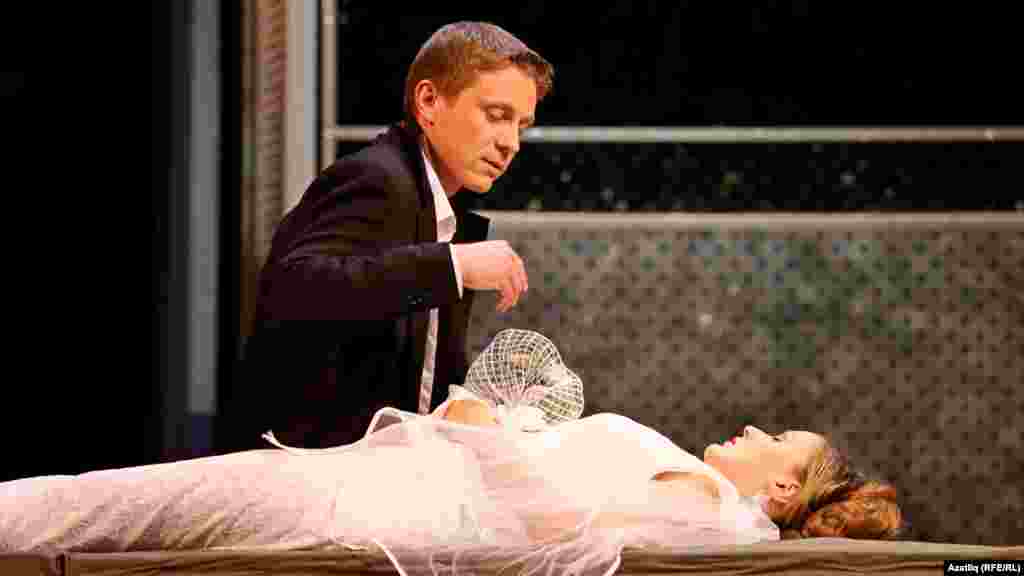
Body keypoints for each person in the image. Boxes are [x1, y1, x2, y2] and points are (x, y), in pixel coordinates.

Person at [0, 393, 902, 576]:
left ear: (782, 491)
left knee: (110, 506)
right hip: (386, 487)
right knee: (110, 506)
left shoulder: (707, 508)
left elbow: (563, 528)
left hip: (377, 506)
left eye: (776, 442)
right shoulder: (703, 494)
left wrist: (484, 432)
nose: (754, 431)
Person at [218, 21, 555, 452]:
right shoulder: (377, 176)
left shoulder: (440, 208)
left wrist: (476, 405)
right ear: (428, 102)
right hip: (307, 464)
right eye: (496, 115)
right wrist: (455, 265)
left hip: (388, 464)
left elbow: (414, 375)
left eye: (521, 126)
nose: (512, 144)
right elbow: (294, 288)